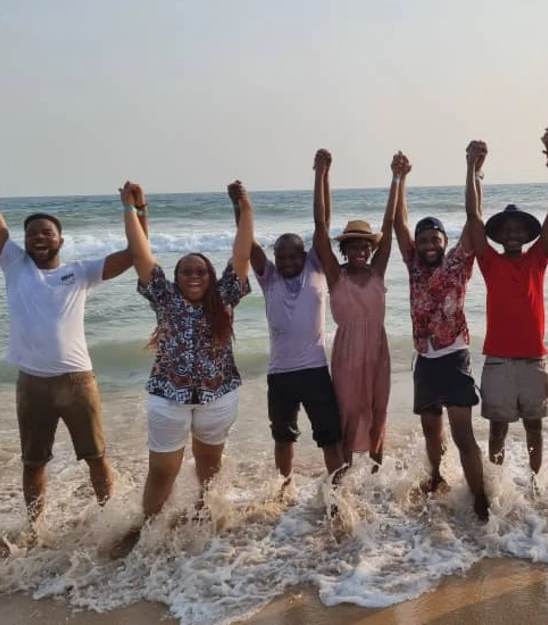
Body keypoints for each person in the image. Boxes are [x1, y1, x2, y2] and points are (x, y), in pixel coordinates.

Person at [113, 180, 252, 556]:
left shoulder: (225, 297)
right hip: (167, 398)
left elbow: (241, 254)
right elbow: (142, 256)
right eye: (186, 271)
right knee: (163, 470)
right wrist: (132, 210)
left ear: (211, 278)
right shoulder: (164, 297)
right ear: (174, 278)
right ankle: (149, 529)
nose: (193, 275)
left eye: (201, 271)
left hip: (218, 395)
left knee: (210, 466)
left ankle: (203, 513)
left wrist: (244, 206)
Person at [0, 196, 147, 528]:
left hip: (77, 381)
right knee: (33, 462)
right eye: (32, 233)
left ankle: (110, 521)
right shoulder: (14, 264)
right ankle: (35, 529)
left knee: (96, 457)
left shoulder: (79, 273)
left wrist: (137, 211)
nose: (39, 237)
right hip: (31, 384)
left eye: (47, 232)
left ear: (60, 240)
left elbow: (135, 253)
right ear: (23, 243)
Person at [230, 170, 345, 485]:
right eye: (281, 257)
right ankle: (285, 488)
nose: (288, 262)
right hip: (280, 374)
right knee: (283, 437)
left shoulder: (315, 267)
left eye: (293, 256)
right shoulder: (269, 278)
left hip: (315, 370)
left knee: (329, 437)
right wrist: (240, 205)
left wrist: (322, 175)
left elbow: (323, 223)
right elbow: (249, 244)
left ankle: (338, 490)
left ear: (304, 256)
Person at [394, 148, 489, 521]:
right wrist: (400, 178)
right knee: (430, 428)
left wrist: (472, 170)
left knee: (463, 434)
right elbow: (400, 223)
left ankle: (480, 497)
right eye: (424, 241)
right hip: (425, 360)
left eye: (436, 240)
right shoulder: (414, 265)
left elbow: (474, 218)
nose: (430, 246)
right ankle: (436, 478)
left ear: (445, 242)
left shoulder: (459, 263)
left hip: (454, 356)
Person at [465, 134, 548, 476]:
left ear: (527, 234)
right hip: (499, 361)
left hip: (534, 359)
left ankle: (536, 485)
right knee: (498, 429)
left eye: (519, 229)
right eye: (507, 230)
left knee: (535, 427)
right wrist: (472, 171)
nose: (513, 234)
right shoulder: (490, 263)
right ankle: (498, 485)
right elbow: (474, 218)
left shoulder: (538, 259)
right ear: (499, 236)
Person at [312, 149, 405, 466]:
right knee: (347, 411)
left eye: (365, 246)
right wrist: (321, 174)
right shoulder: (336, 276)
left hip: (377, 349)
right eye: (353, 246)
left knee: (378, 409)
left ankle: (378, 480)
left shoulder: (377, 271)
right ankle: (344, 477)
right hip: (347, 351)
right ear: (345, 249)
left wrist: (396, 178)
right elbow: (320, 228)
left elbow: (389, 224)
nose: (360, 251)